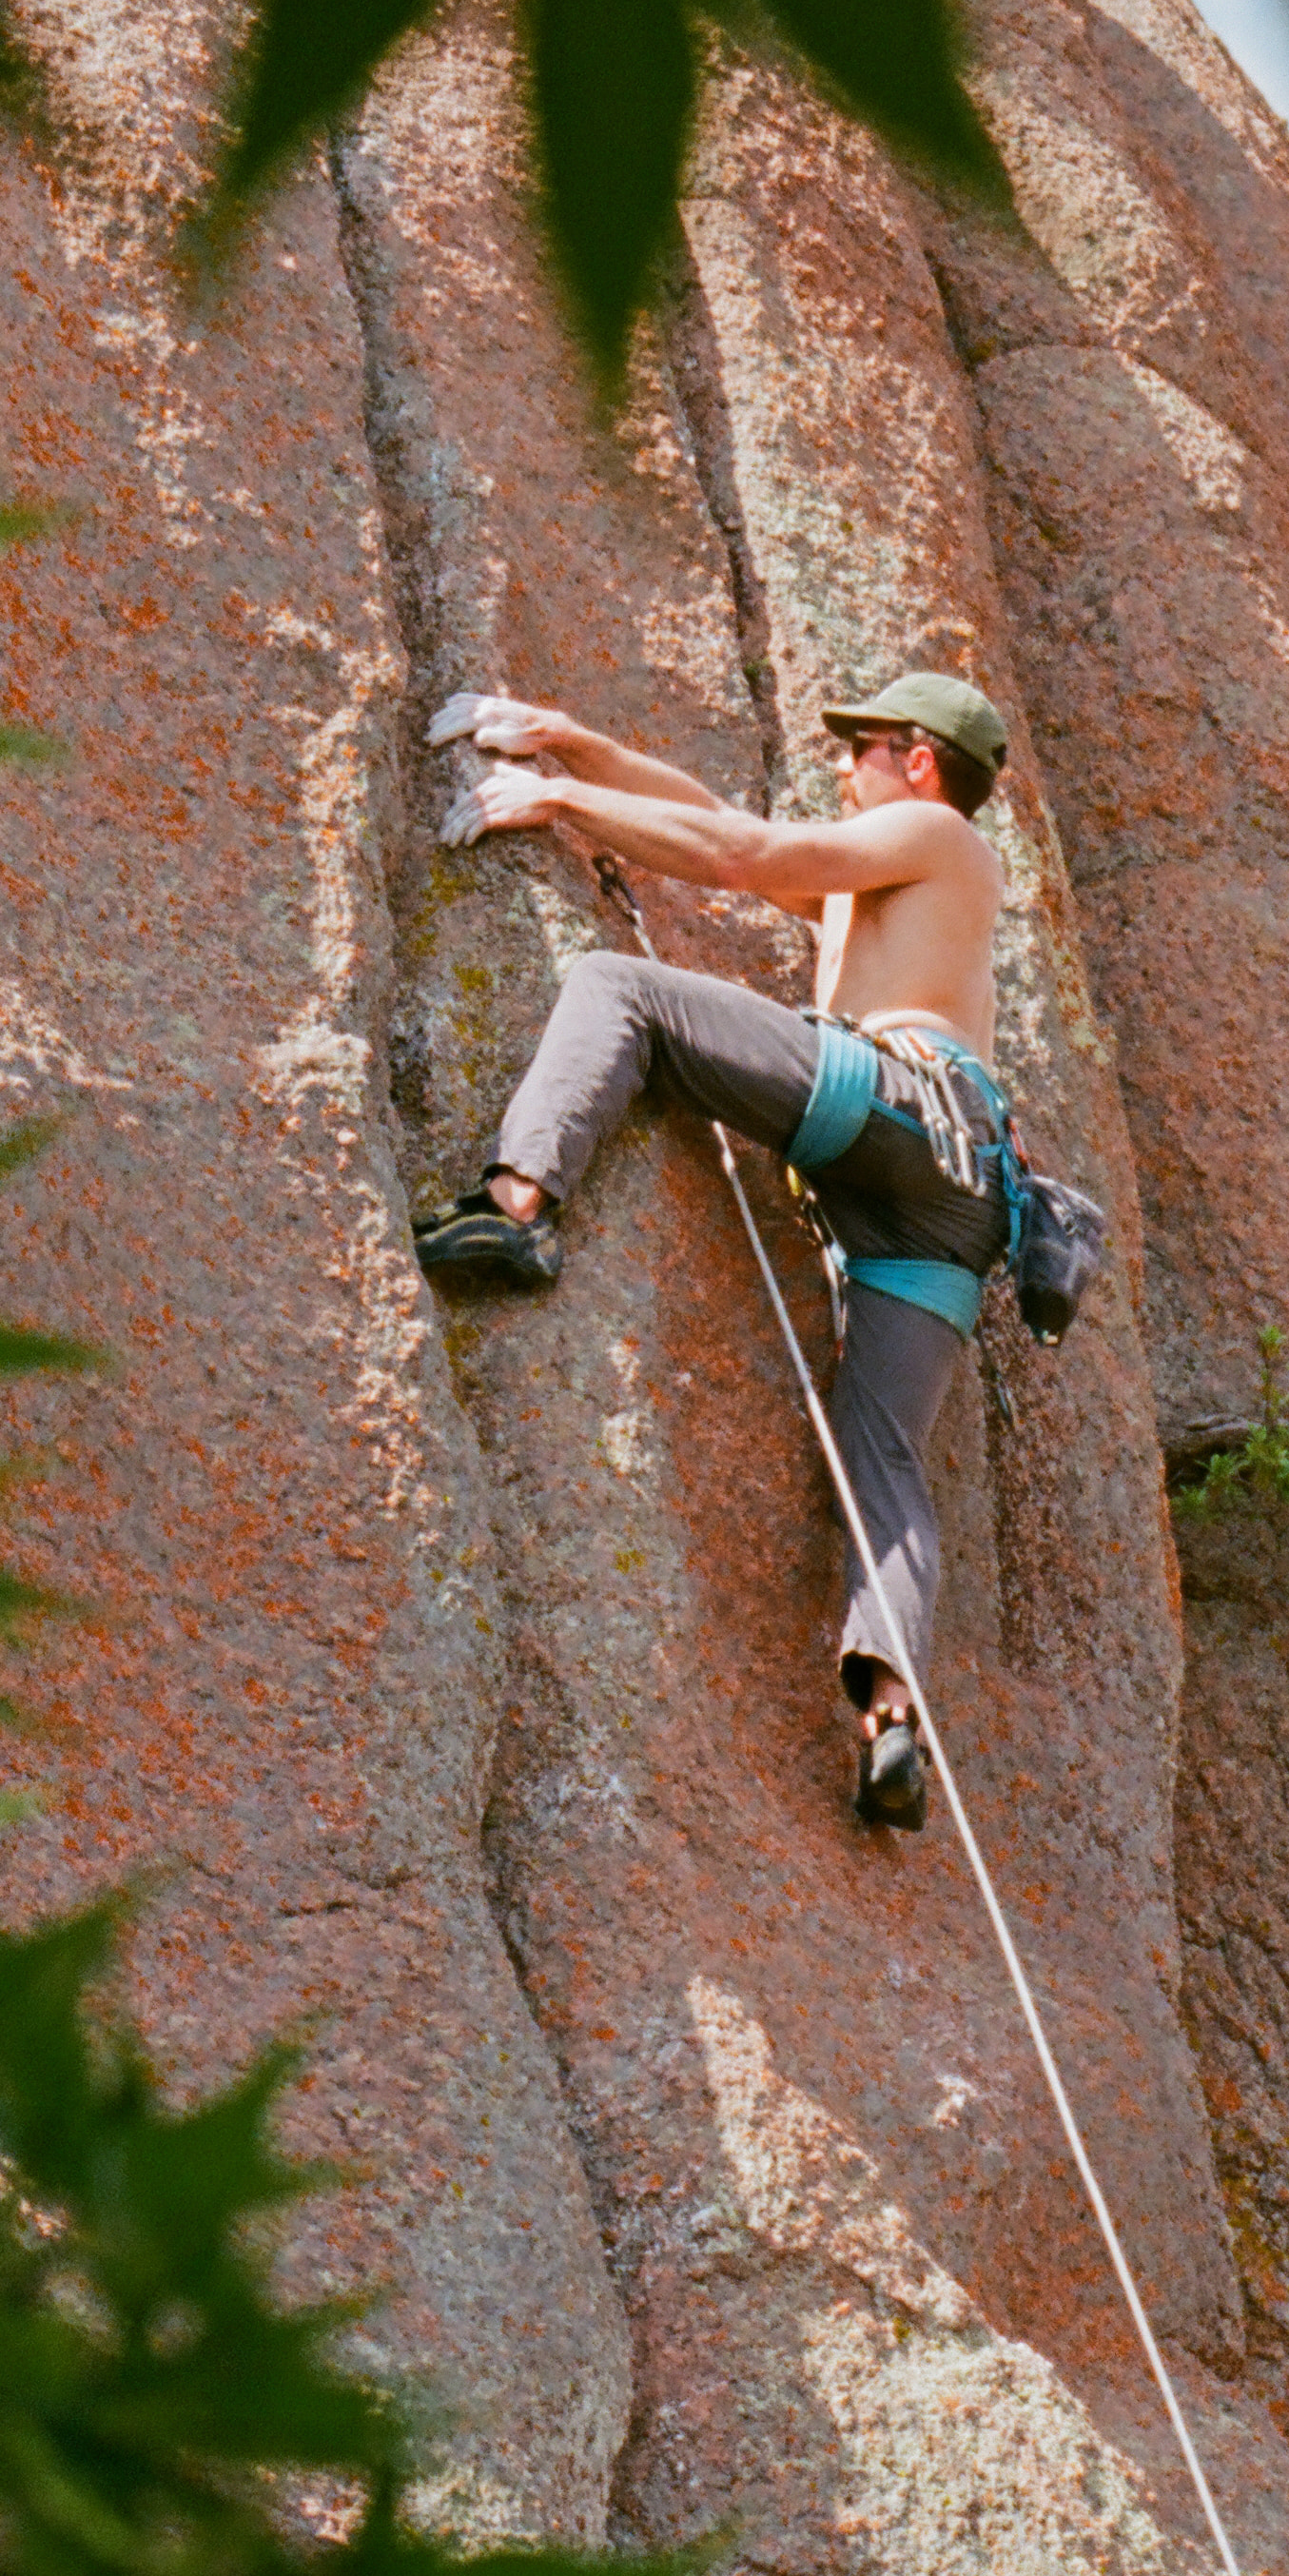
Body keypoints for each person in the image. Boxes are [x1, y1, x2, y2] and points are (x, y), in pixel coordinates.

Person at [413, 666, 1012, 1833]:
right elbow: (715, 816)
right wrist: (573, 738)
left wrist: (557, 804)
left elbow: (736, 851)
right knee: (881, 1460)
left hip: (896, 1106)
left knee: (618, 990)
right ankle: (890, 1713)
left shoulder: (931, 832)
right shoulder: (904, 881)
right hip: (956, 1203)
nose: (842, 772)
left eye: (861, 752)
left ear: (918, 760)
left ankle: (516, 1205)